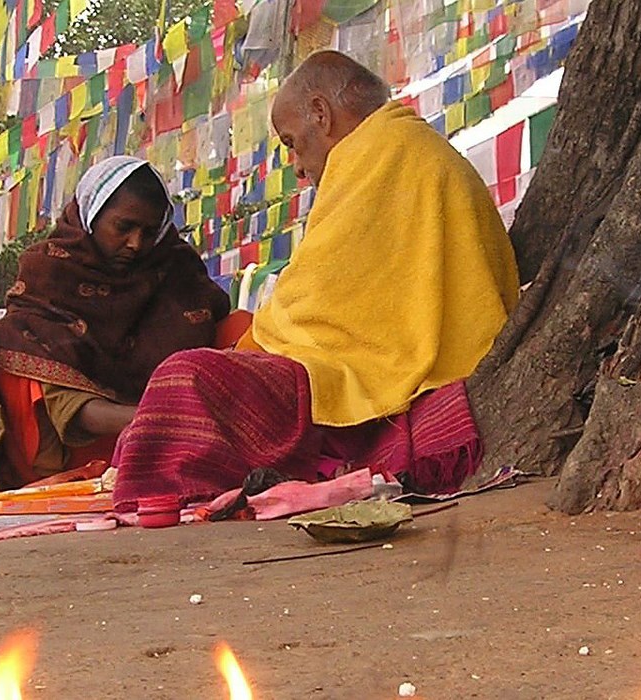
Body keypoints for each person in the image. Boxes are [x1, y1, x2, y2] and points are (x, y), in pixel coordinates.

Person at [110, 51, 519, 511]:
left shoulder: (378, 155)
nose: (299, 167)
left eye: (292, 142)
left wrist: (245, 353)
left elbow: (314, 304)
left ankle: (188, 494)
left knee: (186, 376)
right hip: (404, 361)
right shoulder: (403, 146)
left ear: (321, 114)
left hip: (384, 374)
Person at [0, 156, 234, 491]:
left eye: (149, 232)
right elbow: (69, 407)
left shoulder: (177, 271)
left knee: (241, 329)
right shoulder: (49, 274)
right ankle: (50, 481)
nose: (135, 244)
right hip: (82, 453)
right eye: (124, 227)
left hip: (176, 444)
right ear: (90, 216)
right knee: (12, 338)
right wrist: (158, 419)